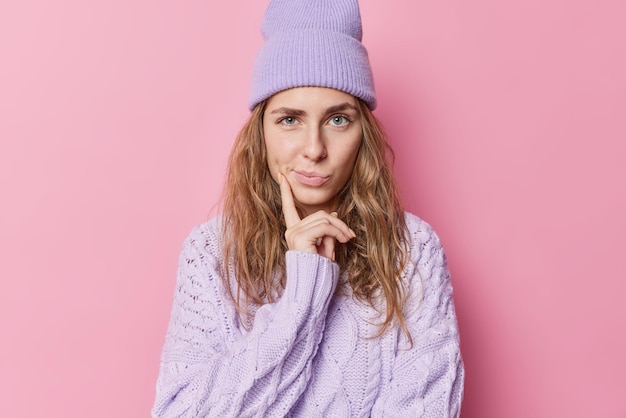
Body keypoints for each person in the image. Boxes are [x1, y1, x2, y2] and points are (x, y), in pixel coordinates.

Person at [152, 0, 464, 416]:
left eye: (338, 120)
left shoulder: (413, 250)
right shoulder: (211, 253)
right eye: (289, 120)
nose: (314, 149)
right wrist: (303, 296)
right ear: (260, 133)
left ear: (363, 135)